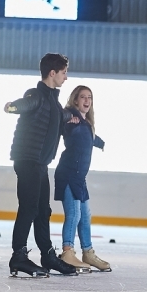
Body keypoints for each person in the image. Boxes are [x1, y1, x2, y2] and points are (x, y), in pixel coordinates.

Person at [4, 53, 78, 277]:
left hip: (40, 164)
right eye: (64, 72)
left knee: (43, 211)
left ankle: (47, 255)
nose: (66, 77)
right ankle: (18, 256)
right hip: (28, 161)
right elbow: (23, 105)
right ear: (52, 73)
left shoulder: (53, 102)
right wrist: (11, 107)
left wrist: (71, 117)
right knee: (29, 208)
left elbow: (58, 114)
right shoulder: (36, 95)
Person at [54, 85, 110, 272]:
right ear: (75, 100)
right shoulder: (71, 118)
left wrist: (100, 143)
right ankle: (67, 251)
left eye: (89, 97)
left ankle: (88, 252)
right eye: (83, 97)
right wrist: (69, 117)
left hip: (79, 177)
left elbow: (90, 137)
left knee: (85, 216)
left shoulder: (86, 123)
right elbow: (62, 121)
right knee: (74, 214)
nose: (87, 100)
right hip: (69, 172)